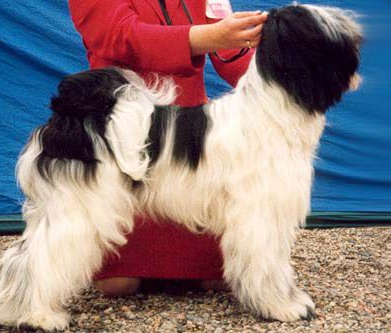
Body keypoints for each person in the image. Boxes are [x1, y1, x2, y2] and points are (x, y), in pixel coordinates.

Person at [68, 0, 267, 296]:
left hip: (191, 150)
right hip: (122, 144)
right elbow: (121, 37)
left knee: (222, 278)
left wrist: (285, 68)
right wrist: (211, 36)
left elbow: (233, 57)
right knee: (118, 285)